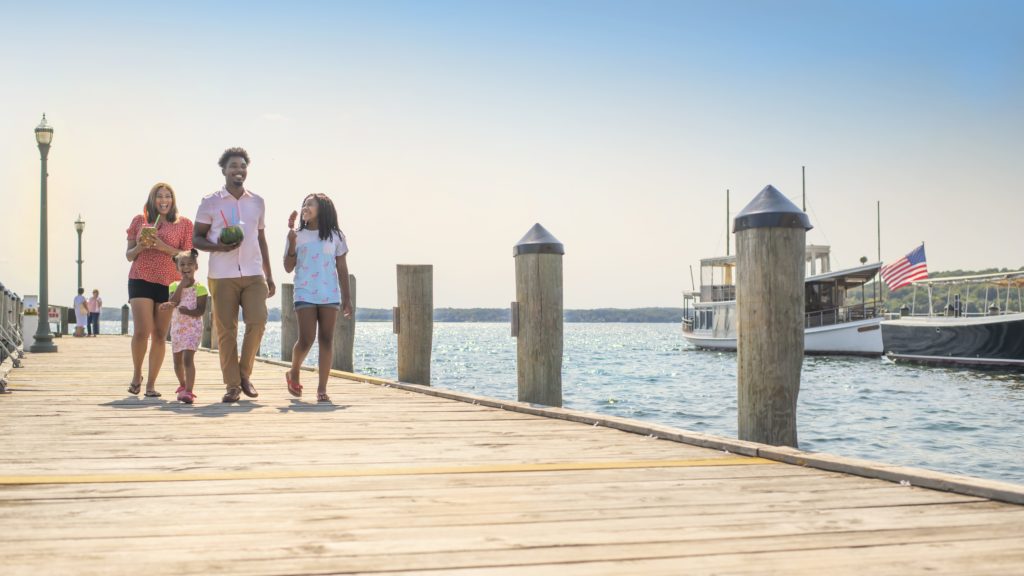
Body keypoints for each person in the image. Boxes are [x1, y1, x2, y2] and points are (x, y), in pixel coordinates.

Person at [193, 147, 276, 403]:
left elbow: (261, 238)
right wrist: (219, 247)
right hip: (222, 274)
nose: (238, 171)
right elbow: (196, 238)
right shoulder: (210, 201)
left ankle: (244, 374)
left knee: (258, 322)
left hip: (253, 273)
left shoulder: (257, 202)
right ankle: (232, 386)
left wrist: (269, 275)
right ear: (224, 170)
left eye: (242, 166)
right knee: (226, 331)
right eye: (233, 167)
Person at [125, 182, 194, 397]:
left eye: (168, 196)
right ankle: (137, 374)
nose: (164, 200)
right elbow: (129, 255)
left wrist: (162, 247)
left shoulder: (184, 224)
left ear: (172, 201)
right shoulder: (140, 221)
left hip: (169, 283)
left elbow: (188, 255)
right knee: (142, 331)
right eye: (159, 196)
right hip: (141, 278)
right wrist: (141, 246)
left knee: (159, 334)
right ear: (152, 200)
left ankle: (151, 385)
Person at [283, 194, 352, 403]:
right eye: (304, 204)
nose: (305, 207)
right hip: (304, 291)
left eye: (310, 204)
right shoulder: (296, 235)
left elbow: (342, 267)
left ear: (323, 209)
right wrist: (292, 243)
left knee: (326, 339)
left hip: (329, 292)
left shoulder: (336, 236)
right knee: (306, 339)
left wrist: (347, 298)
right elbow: (287, 267)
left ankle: (322, 388)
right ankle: (294, 371)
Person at [160, 249, 208, 405]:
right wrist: (182, 284)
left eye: (190, 264)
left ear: (196, 266)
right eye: (182, 264)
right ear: (177, 268)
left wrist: (189, 311)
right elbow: (173, 301)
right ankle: (182, 384)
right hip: (178, 328)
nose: (186, 267)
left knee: (188, 359)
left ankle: (189, 390)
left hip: (193, 328)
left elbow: (201, 310)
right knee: (177, 361)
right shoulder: (174, 286)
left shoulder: (200, 288)